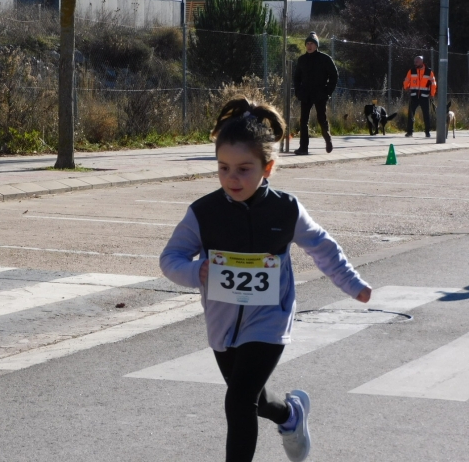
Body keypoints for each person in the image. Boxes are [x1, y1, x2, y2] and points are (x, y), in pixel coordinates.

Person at [159, 96, 372, 462]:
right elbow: (170, 258)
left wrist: (353, 284)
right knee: (254, 399)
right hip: (223, 325)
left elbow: (322, 246)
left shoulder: (285, 209)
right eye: (223, 168)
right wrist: (197, 271)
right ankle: (291, 415)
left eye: (244, 169)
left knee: (239, 398)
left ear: (267, 168)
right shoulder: (204, 212)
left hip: (270, 320)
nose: (232, 178)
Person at [292, 32, 338, 155]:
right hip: (305, 94)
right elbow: (296, 77)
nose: (309, 46)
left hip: (320, 94)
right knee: (303, 121)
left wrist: (327, 91)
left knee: (321, 119)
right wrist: (298, 91)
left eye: (312, 43)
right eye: (307, 43)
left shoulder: (325, 59)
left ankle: (327, 139)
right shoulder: (302, 60)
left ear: (316, 45)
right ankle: (303, 148)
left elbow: (334, 76)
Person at [403, 55, 437, 137]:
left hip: (424, 97)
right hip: (414, 96)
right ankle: (409, 132)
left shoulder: (429, 72)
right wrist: (406, 87)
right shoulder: (411, 71)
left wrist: (432, 94)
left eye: (416, 62)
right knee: (410, 114)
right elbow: (406, 80)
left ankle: (427, 132)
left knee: (426, 115)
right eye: (414, 62)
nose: (415, 63)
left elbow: (433, 84)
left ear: (421, 62)